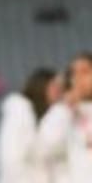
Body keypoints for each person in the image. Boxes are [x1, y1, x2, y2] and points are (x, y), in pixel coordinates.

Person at [0, 67, 61, 183]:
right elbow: (11, 158)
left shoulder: (46, 118)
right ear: (41, 86)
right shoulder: (19, 112)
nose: (58, 92)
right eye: (54, 87)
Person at [36, 52, 92, 183]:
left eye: (85, 72)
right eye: (74, 73)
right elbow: (45, 148)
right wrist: (66, 109)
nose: (78, 78)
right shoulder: (59, 111)